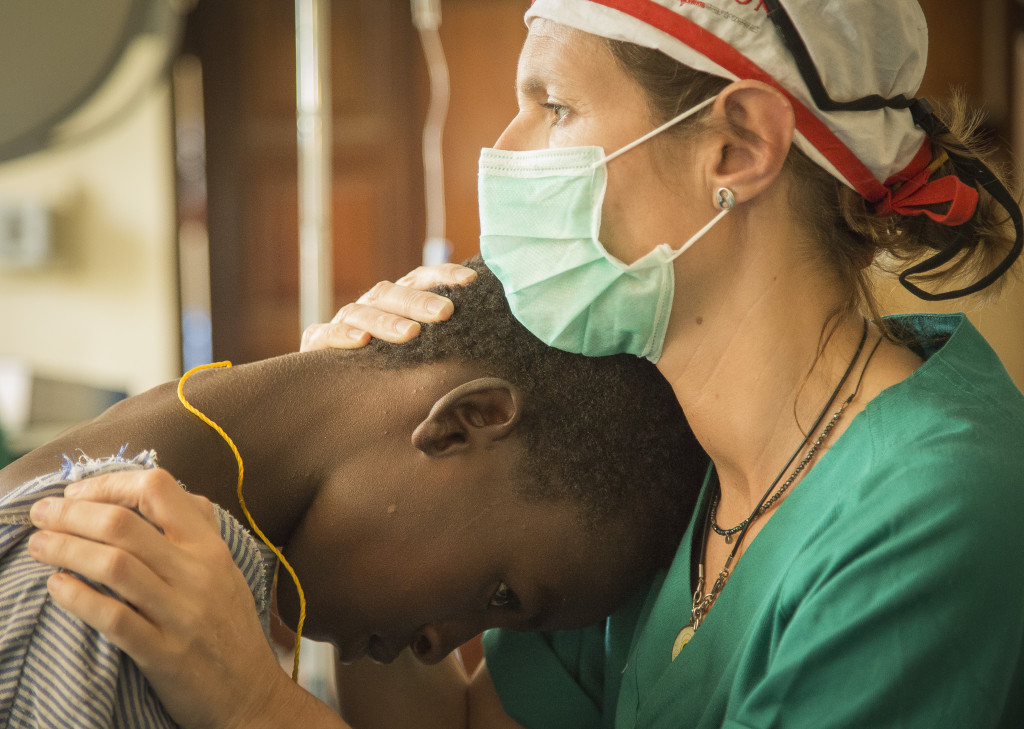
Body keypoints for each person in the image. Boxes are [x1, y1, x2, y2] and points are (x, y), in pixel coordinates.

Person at [28, 0, 1024, 727]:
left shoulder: (929, 507)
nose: (504, 150)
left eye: (552, 107)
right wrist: (349, 427)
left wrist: (249, 703)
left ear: (735, 148)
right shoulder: (672, 460)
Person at [5, 258, 702, 728]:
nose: (435, 646)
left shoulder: (174, 531)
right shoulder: (106, 580)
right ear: (465, 421)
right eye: (501, 596)